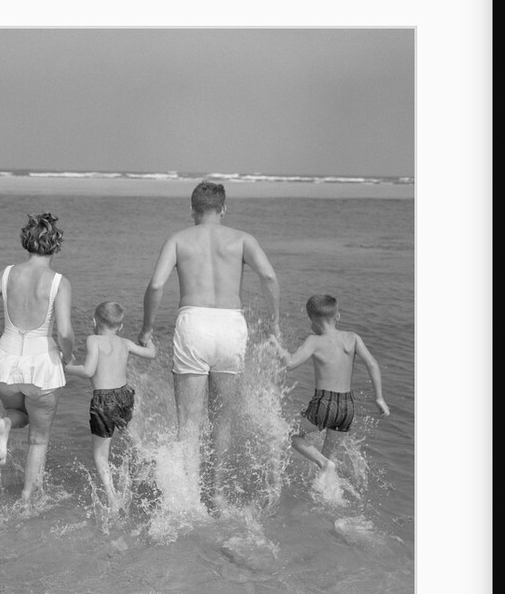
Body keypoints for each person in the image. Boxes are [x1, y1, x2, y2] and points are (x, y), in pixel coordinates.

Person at [138, 181, 280, 505]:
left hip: (194, 325)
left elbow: (157, 284)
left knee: (188, 421)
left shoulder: (177, 239)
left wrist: (146, 328)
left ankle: (187, 498)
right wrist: (273, 324)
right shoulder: (243, 239)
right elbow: (270, 277)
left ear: (192, 211)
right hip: (231, 326)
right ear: (224, 209)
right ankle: (214, 492)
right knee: (222, 418)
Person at [0, 214, 74, 502]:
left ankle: (5, 424)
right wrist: (69, 354)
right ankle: (28, 498)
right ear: (56, 245)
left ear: (26, 242)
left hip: (5, 362)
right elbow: (64, 331)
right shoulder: (59, 283)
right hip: (41, 367)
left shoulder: (7, 273)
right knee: (38, 438)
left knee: (20, 416)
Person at [269, 294, 390, 495]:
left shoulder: (314, 340)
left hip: (324, 403)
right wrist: (379, 398)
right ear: (338, 316)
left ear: (311, 321)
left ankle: (324, 471)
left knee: (291, 434)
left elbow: (290, 363)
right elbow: (372, 363)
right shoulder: (353, 338)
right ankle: (326, 496)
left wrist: (275, 344)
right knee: (328, 456)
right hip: (348, 407)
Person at [65, 301, 156, 511]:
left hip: (103, 400)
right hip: (125, 395)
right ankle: (147, 462)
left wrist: (69, 368)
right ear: (121, 326)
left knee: (100, 455)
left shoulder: (93, 339)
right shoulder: (125, 342)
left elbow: (88, 371)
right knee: (127, 432)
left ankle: (113, 498)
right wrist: (147, 338)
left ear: (94, 321)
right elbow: (151, 354)